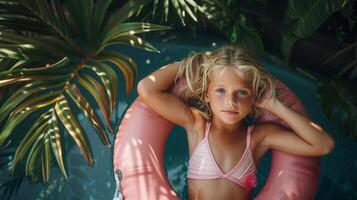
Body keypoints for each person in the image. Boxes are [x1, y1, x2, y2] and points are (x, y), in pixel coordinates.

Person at [137, 45, 335, 200]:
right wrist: (195, 63)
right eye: (220, 91)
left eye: (242, 92)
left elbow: (323, 145)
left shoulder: (259, 137)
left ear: (253, 97)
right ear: (207, 95)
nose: (231, 101)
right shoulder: (196, 124)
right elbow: (146, 89)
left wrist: (275, 105)